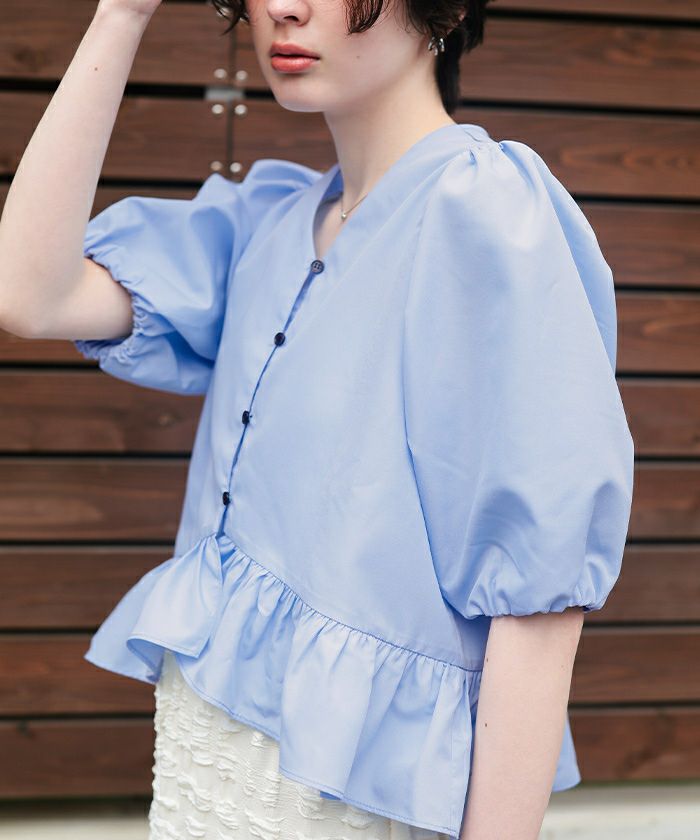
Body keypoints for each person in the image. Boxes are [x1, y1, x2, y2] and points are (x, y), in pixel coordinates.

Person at [0, 0, 635, 838]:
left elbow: (538, 587)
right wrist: (121, 15)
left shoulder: (486, 212)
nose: (285, 8)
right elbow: (30, 294)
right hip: (202, 754)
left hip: (352, 797)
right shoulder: (267, 220)